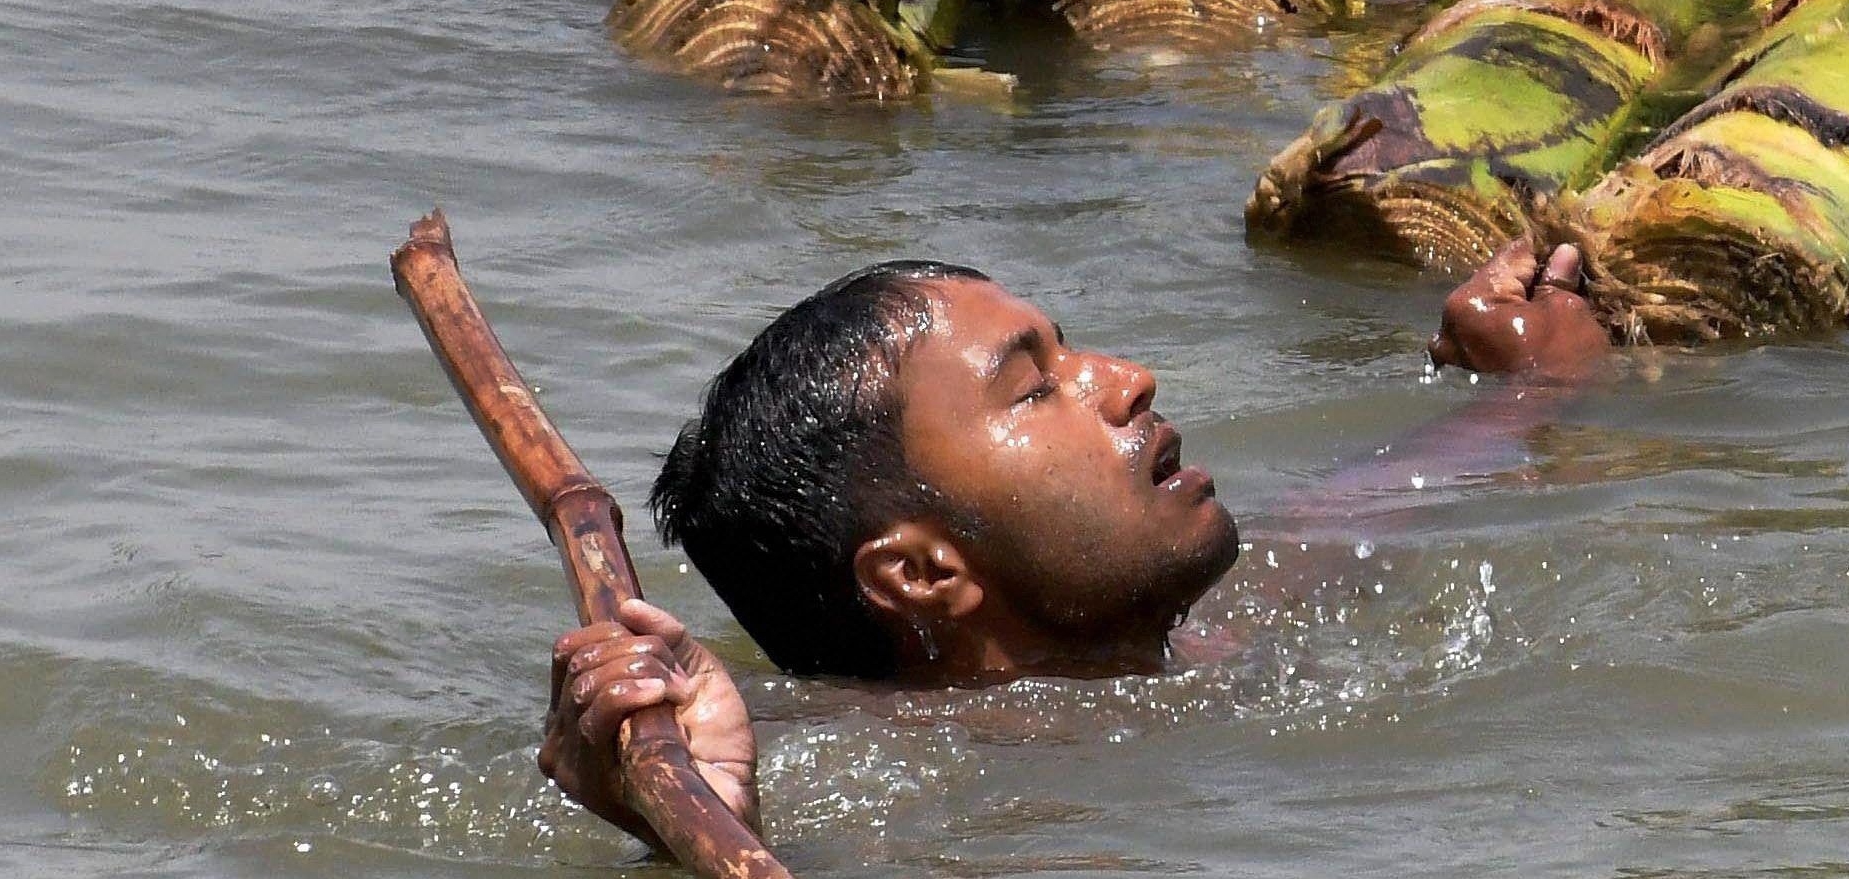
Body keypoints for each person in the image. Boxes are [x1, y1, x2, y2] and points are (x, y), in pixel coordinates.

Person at [535, 237, 1608, 844]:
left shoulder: (1191, 636)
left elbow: (1347, 518)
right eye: (1034, 386)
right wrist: (706, 828)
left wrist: (1527, 390)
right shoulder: (894, 788)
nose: (1124, 377)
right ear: (919, 573)